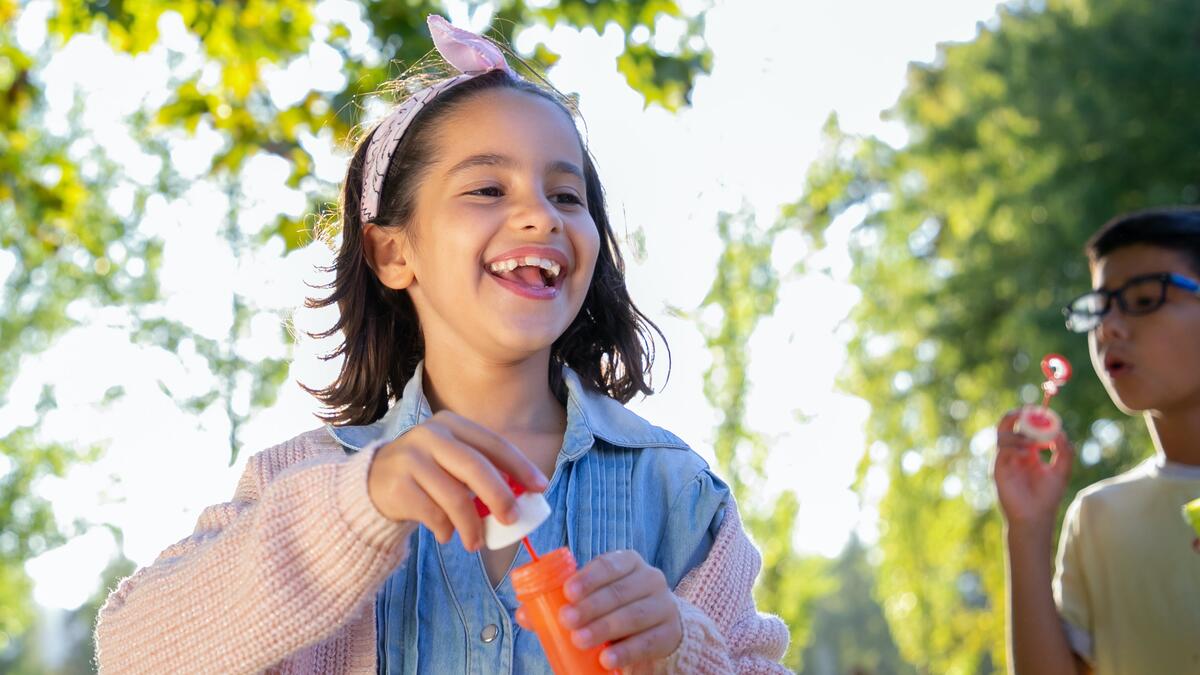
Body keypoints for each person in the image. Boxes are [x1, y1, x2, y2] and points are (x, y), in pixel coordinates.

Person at [93, 16, 790, 675]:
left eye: (567, 195)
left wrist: (681, 647)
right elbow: (129, 649)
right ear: (393, 253)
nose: (538, 214)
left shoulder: (675, 488)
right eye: (488, 187)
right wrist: (357, 508)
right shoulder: (303, 480)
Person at [994, 208, 1200, 675]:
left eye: (1145, 298)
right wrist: (1026, 529)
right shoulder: (1099, 518)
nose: (1109, 328)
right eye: (1099, 308)